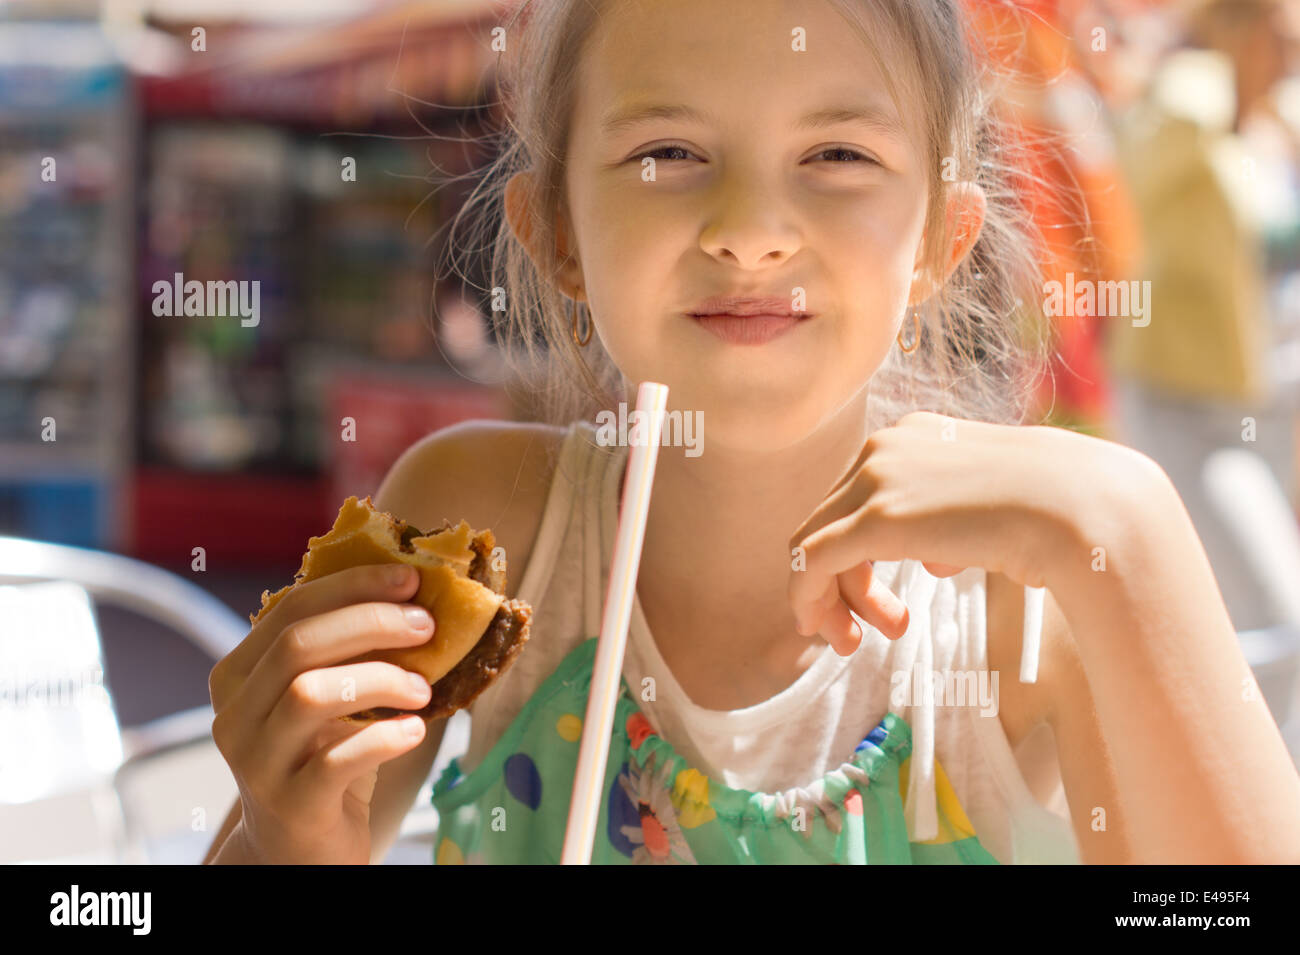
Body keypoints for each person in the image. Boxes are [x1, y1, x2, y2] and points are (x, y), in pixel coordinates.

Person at [203, 0, 1300, 865]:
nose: (751, 233)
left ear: (939, 238)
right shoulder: (484, 529)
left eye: (837, 155)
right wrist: (288, 836)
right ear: (556, 233)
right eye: (668, 152)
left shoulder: (1022, 604)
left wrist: (1133, 524)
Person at [1107, 0, 1300, 632]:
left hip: (1269, 409)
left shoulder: (1276, 121)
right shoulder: (1186, 112)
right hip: (1190, 408)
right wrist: (1209, 73)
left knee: (1239, 619)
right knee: (1277, 615)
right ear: (1235, 30)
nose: (1291, 55)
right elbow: (1143, 150)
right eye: (1280, 38)